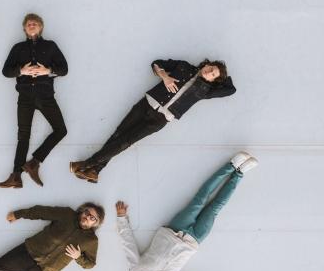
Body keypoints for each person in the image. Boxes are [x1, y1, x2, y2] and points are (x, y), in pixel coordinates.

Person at [115, 152, 258, 271]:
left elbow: (128, 245)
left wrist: (121, 218)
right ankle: (239, 173)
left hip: (175, 230)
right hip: (193, 241)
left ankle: (231, 165)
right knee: (216, 207)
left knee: (201, 198)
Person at [70, 58, 236, 183]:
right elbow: (156, 63)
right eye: (212, 68)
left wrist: (220, 76)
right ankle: (95, 171)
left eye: (213, 75)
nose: (209, 72)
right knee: (118, 135)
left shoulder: (206, 90)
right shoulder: (184, 66)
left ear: (213, 80)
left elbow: (230, 89)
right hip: (146, 104)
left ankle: (86, 164)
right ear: (207, 63)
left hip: (160, 119)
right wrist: (165, 77)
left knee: (126, 141)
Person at [0, 13, 68, 188]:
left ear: (41, 27)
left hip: (45, 95)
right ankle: (16, 176)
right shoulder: (18, 48)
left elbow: (64, 69)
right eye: (29, 23)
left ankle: (34, 163)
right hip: (25, 96)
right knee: (23, 136)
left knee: (61, 130)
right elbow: (6, 71)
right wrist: (21, 71)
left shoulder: (50, 46)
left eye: (35, 23)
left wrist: (47, 71)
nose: (32, 25)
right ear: (24, 28)